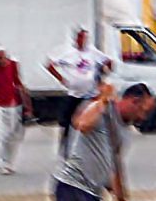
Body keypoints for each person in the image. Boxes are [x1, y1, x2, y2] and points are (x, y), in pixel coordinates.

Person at [46, 27, 112, 158]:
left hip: (90, 95)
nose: (84, 41)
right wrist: (61, 79)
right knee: (68, 122)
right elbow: (50, 65)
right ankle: (65, 150)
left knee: (91, 123)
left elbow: (108, 62)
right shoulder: (68, 53)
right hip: (74, 95)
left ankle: (91, 150)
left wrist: (103, 74)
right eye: (81, 38)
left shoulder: (93, 52)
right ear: (76, 39)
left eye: (86, 38)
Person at [0, 46, 32, 175]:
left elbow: (18, 82)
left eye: (1, 57)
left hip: (13, 105)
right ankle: (1, 163)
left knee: (12, 135)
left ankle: (10, 162)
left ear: (5, 56)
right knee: (2, 135)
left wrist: (26, 101)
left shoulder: (13, 66)